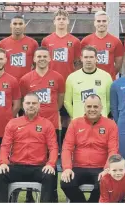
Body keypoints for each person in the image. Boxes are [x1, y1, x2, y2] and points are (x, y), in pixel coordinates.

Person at [0, 93, 58, 202]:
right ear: (23, 105)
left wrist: (50, 164)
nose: (31, 106)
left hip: (38, 167)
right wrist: (3, 162)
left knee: (50, 174)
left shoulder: (47, 124)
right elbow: (5, 146)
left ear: (39, 105)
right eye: (28, 103)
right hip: (17, 166)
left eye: (34, 103)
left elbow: (53, 147)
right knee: (0, 175)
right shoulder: (13, 123)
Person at [61, 94, 119, 202]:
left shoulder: (111, 125)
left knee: (105, 183)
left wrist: (107, 169)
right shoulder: (75, 123)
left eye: (95, 107)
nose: (92, 109)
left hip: (101, 168)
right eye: (89, 106)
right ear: (84, 107)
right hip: (78, 167)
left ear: (101, 107)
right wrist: (67, 168)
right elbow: (67, 148)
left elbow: (113, 150)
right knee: (65, 183)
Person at [41, 9, 82, 142]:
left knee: (67, 116)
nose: (61, 21)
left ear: (68, 21)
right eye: (58, 19)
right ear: (54, 22)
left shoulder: (75, 41)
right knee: (51, 114)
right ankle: (50, 142)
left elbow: (77, 63)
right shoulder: (47, 41)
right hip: (51, 83)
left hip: (68, 83)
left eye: (64, 19)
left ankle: (65, 143)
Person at [19, 47, 65, 147]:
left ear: (49, 58)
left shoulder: (58, 77)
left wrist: (54, 109)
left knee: (51, 153)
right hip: (31, 122)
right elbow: (22, 100)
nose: (42, 59)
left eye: (45, 56)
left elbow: (61, 97)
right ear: (34, 59)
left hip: (52, 123)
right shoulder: (25, 79)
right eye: (39, 56)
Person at [64, 46, 113, 119]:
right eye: (86, 57)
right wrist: (76, 117)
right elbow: (67, 102)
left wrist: (102, 115)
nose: (88, 60)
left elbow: (109, 101)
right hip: (80, 123)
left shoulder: (106, 77)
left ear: (96, 59)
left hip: (100, 122)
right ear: (81, 58)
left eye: (91, 57)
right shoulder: (72, 78)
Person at [81, 10, 124, 80]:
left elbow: (118, 64)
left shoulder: (116, 41)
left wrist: (109, 74)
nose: (101, 23)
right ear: (94, 23)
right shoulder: (85, 41)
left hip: (108, 80)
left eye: (104, 21)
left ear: (108, 22)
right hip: (90, 79)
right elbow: (81, 62)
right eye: (98, 21)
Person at [0, 15, 39, 81]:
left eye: (20, 24)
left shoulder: (33, 43)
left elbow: (37, 65)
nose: (17, 26)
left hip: (27, 82)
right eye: (15, 24)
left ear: (25, 25)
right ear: (10, 25)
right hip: (8, 83)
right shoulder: (2, 44)